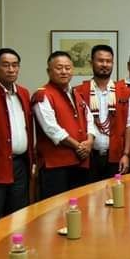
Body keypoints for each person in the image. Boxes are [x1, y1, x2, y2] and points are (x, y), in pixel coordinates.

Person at [32, 51, 96, 199]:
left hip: (80, 162)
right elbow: (51, 129)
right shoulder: (42, 95)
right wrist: (78, 146)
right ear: (49, 71)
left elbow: (89, 119)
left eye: (67, 68)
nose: (64, 72)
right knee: (56, 211)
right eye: (59, 68)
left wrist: (90, 141)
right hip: (55, 165)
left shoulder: (75, 93)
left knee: (79, 207)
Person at [0, 48, 33, 223]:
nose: (11, 69)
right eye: (6, 65)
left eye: (15, 65)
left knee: (19, 216)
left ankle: (16, 248)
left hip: (20, 164)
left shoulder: (24, 93)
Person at [75, 45, 130, 180]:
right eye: (100, 60)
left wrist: (126, 154)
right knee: (88, 198)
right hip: (88, 157)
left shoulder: (124, 91)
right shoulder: (79, 92)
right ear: (91, 63)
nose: (104, 64)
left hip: (115, 157)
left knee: (115, 196)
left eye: (108, 61)